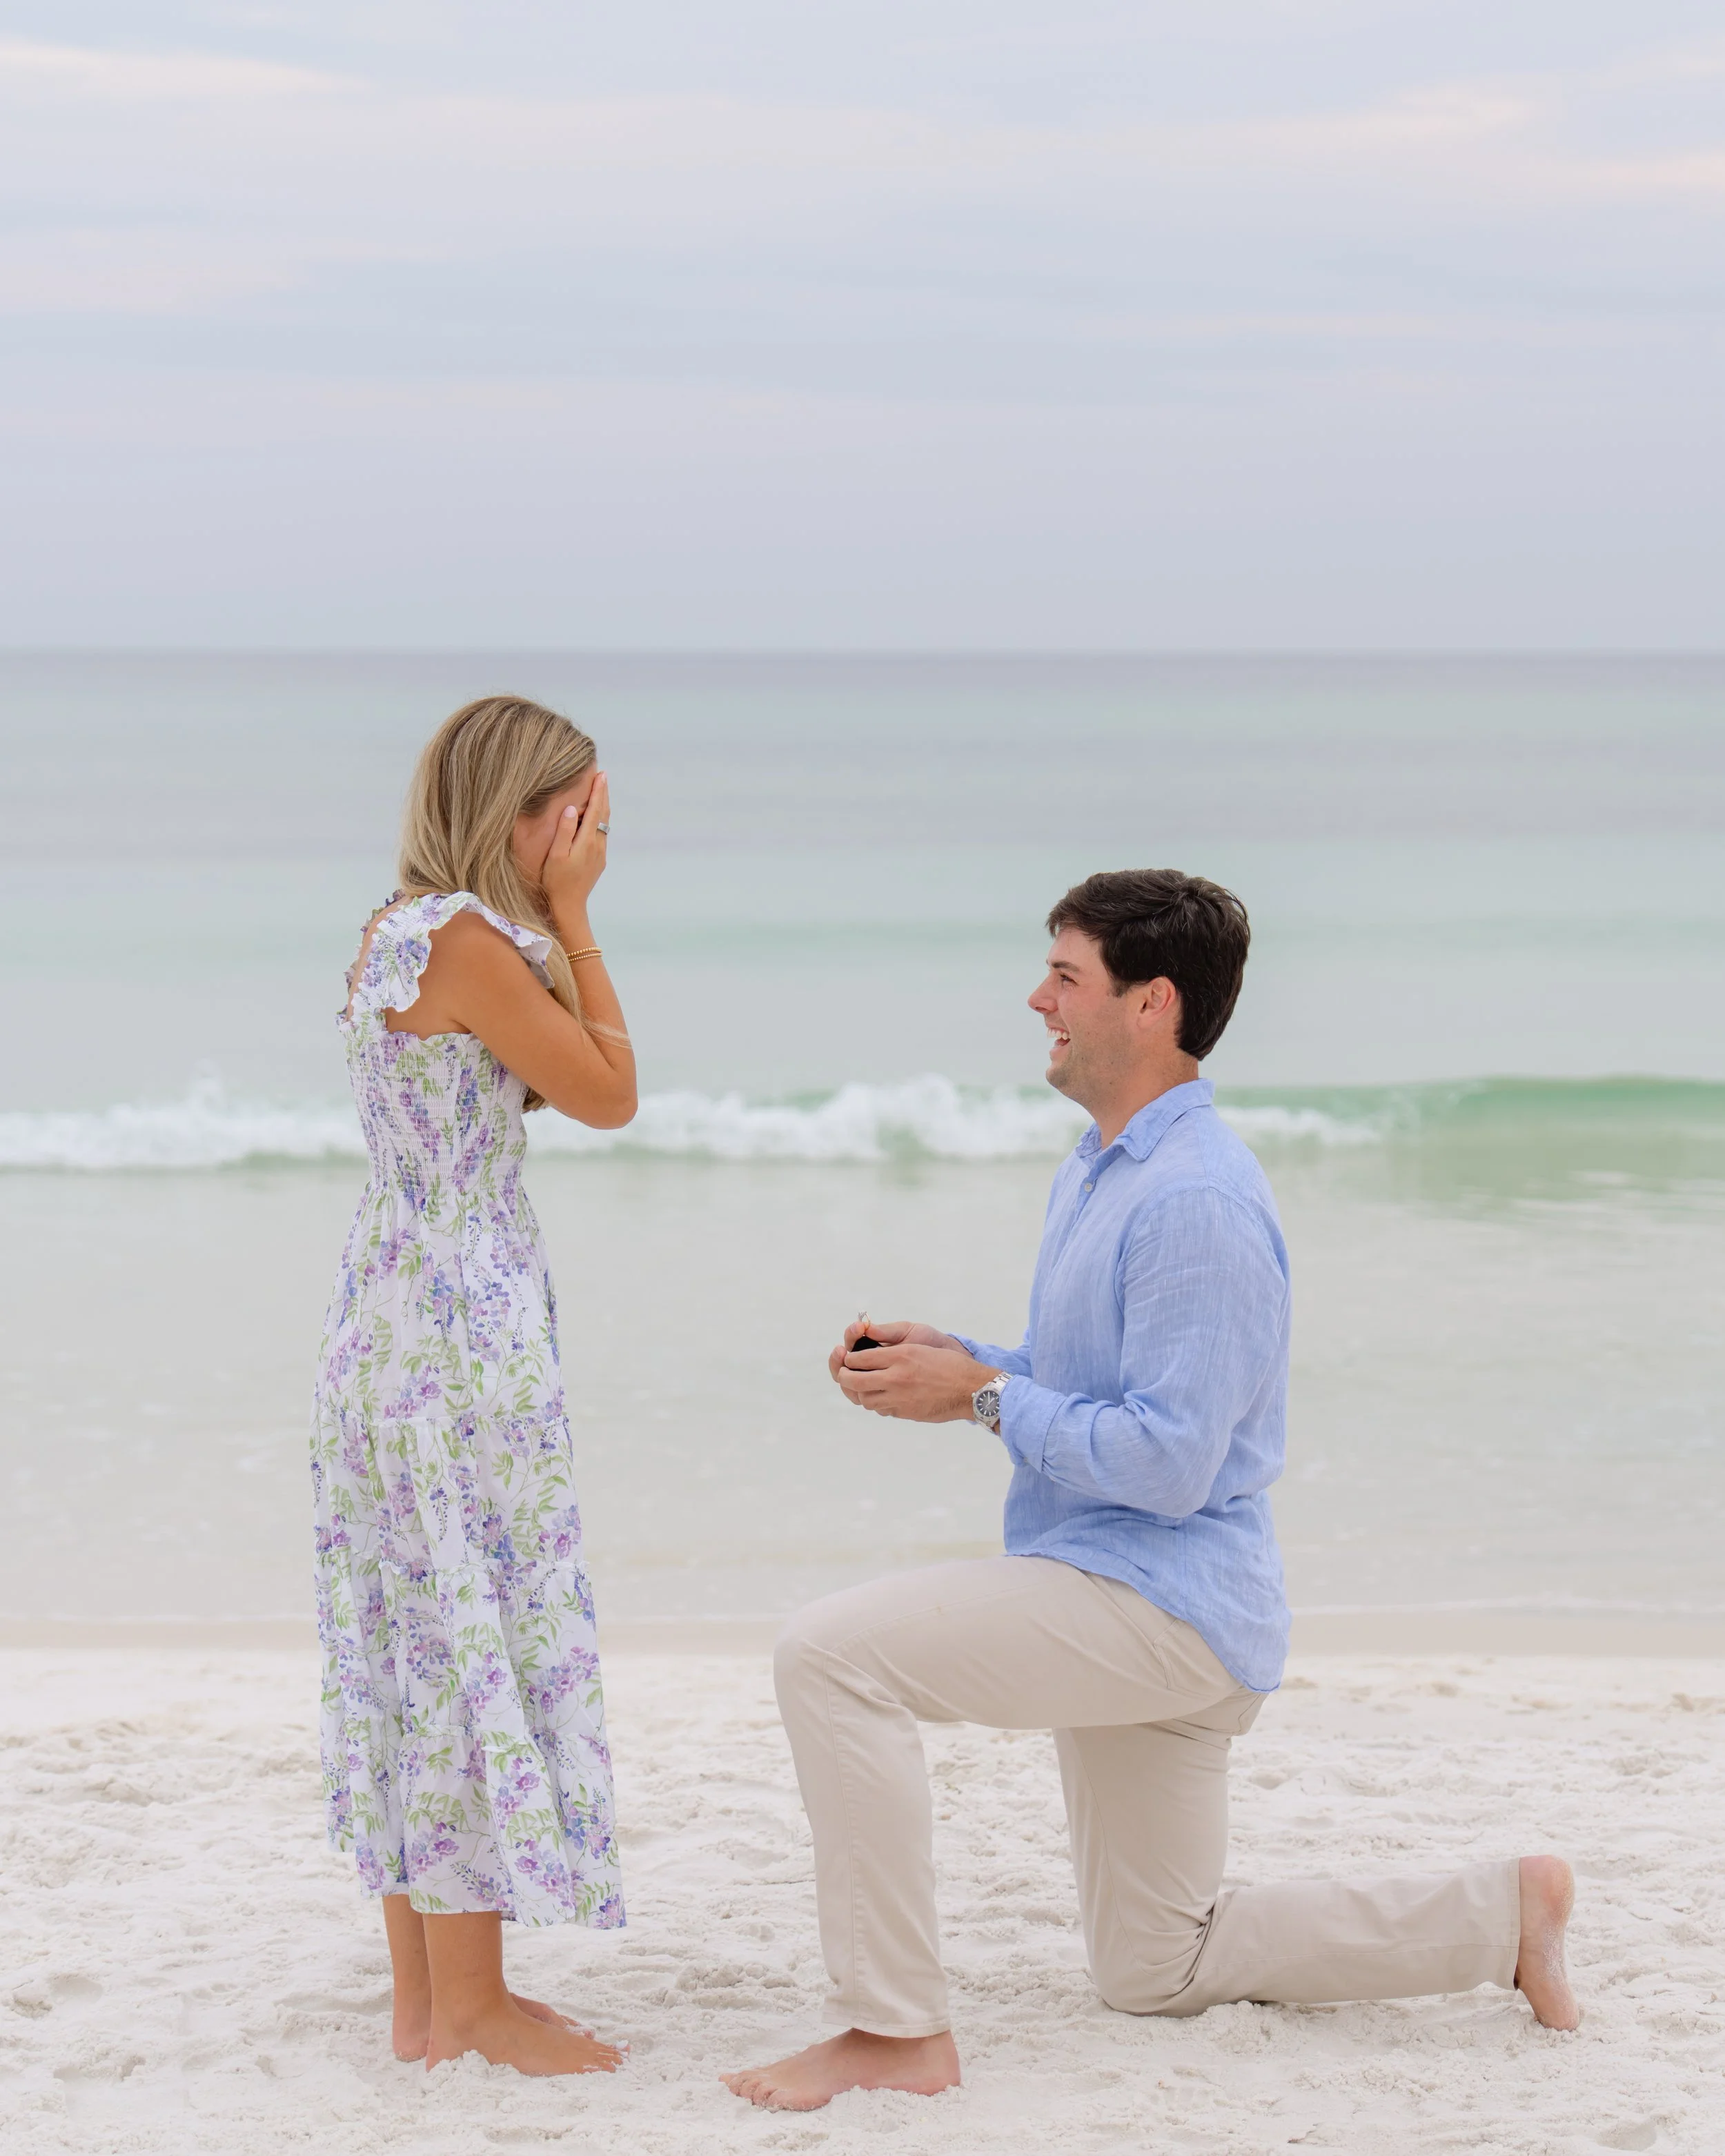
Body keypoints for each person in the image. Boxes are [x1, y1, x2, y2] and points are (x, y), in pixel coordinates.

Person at [724, 868, 1577, 2113]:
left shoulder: (1197, 1200)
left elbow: (1170, 1465)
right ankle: (1502, 1914)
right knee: (1156, 1967)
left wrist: (983, 1398)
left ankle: (894, 2033)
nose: (1037, 1000)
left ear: (1151, 1004)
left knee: (830, 1658)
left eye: (1065, 977)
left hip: (1161, 1601)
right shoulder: (1105, 1166)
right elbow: (1099, 1391)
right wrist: (959, 1362)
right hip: (1129, 1589)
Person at [311, 695, 636, 2076]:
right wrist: (577, 918)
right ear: (527, 813)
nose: (595, 842)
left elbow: (544, 1087)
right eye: (584, 819)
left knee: (411, 1632)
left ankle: (427, 2003)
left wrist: (543, 929)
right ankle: (477, 2003)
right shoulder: (475, 941)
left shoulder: (401, 929)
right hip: (459, 1326)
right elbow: (610, 1089)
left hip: (387, 1305)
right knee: (462, 1629)